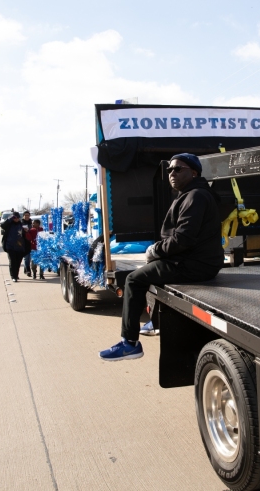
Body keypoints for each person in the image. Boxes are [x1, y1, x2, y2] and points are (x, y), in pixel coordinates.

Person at [100, 153, 223, 361]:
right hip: (194, 260)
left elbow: (182, 239)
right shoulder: (192, 193)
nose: (171, 173)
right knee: (152, 269)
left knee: (133, 279)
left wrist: (155, 250)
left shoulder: (196, 196)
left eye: (178, 169)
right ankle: (156, 322)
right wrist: (158, 253)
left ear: (194, 172)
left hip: (193, 264)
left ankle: (129, 343)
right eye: (169, 170)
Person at [0, 211, 29, 282]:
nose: (16, 219)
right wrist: (10, 219)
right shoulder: (9, 224)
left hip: (20, 246)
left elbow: (25, 235)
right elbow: (2, 225)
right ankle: (13, 276)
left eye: (17, 218)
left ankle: (16, 274)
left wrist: (26, 231)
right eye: (14, 218)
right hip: (10, 246)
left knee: (18, 262)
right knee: (12, 261)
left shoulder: (21, 225)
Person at [21, 211, 33, 277]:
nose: (27, 216)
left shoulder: (32, 223)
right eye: (25, 215)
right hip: (24, 241)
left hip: (31, 242)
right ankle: (28, 269)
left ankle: (26, 268)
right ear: (23, 216)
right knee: (26, 257)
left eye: (28, 215)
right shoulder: (21, 223)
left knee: (30, 257)